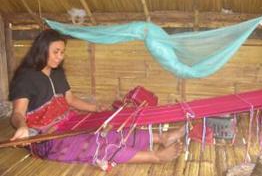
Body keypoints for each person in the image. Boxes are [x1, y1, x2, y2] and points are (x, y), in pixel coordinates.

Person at [9, 29, 184, 170]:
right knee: (96, 143)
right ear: (42, 50)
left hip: (69, 122)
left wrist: (96, 109)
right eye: (56, 52)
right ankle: (155, 157)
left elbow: (70, 100)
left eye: (62, 52)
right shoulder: (25, 78)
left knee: (110, 130)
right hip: (46, 138)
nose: (59, 57)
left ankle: (161, 138)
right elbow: (17, 113)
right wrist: (22, 126)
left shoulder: (57, 73)